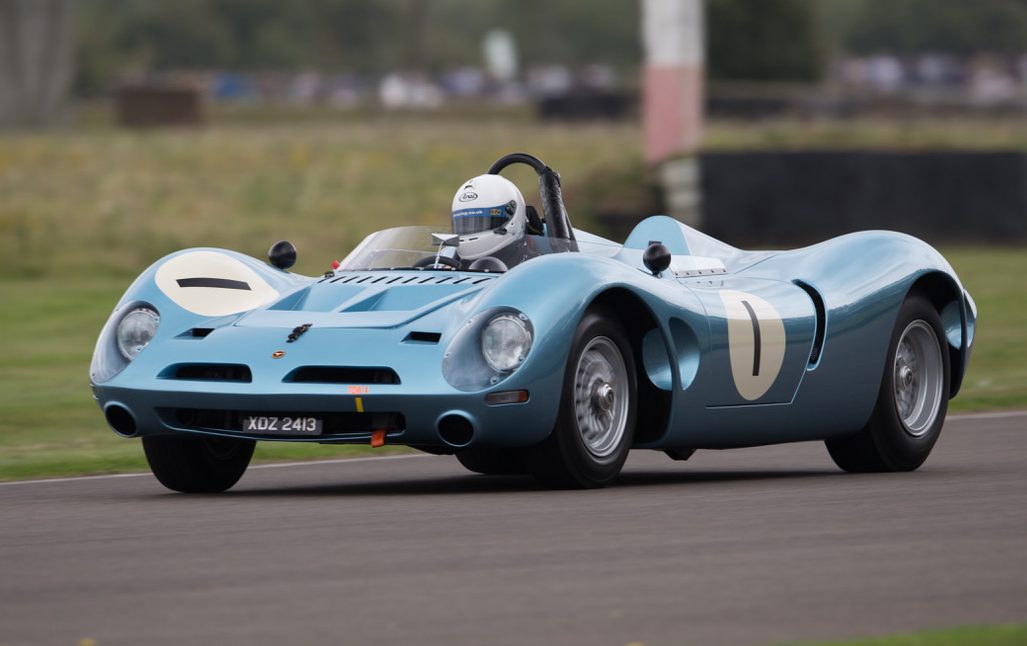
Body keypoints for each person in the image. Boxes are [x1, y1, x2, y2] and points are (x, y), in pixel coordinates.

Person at [450, 174, 540, 271]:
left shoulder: (538, 268)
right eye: (464, 224)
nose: (470, 229)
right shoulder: (449, 263)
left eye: (480, 222)